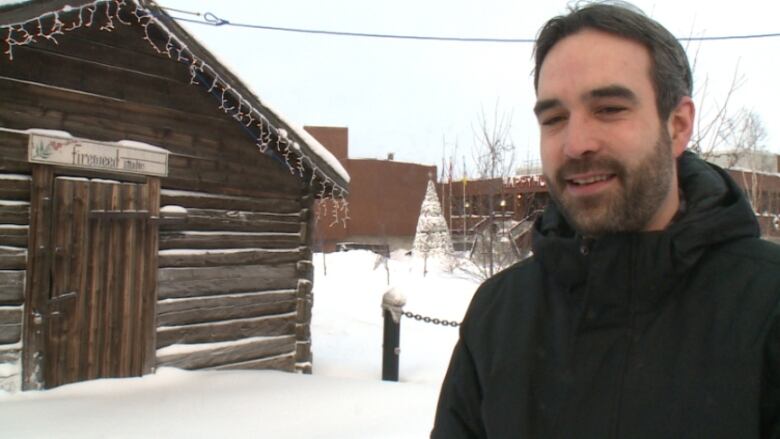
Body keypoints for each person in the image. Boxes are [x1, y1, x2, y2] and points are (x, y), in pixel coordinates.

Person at [431, 3, 780, 438]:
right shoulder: (499, 314)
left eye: (610, 109)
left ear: (677, 124)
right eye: (555, 119)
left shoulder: (767, 305)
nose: (576, 143)